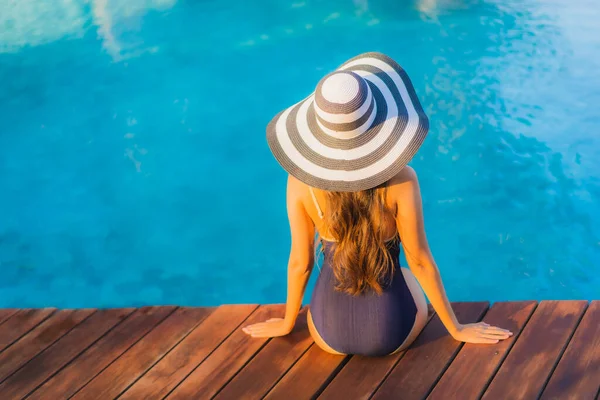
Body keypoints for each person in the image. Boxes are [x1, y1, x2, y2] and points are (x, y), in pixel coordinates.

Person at [242, 52, 512, 356]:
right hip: (391, 333)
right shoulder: (402, 181)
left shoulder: (299, 183)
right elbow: (420, 261)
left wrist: (287, 322)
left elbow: (300, 263)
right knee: (408, 275)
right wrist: (457, 329)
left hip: (328, 334)